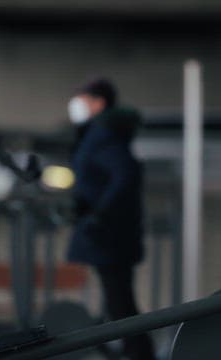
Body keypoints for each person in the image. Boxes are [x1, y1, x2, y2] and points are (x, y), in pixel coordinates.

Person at [67, 78, 155, 360]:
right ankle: (127, 350)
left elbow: (124, 174)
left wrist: (99, 212)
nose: (77, 105)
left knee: (120, 301)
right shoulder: (101, 132)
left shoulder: (102, 134)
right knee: (116, 299)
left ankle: (138, 354)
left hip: (108, 233)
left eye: (83, 99)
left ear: (99, 102)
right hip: (110, 232)